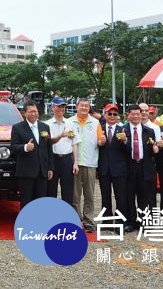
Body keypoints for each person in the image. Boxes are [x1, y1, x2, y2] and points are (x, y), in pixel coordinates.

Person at [10, 101, 54, 209]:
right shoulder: (17, 127)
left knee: (40, 201)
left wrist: (50, 168)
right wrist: (25, 147)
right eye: (31, 112)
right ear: (25, 113)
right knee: (26, 201)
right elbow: (13, 147)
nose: (34, 114)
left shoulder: (45, 127)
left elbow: (49, 148)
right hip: (26, 172)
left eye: (36, 111)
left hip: (42, 171)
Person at [123, 104, 159, 230]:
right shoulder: (122, 130)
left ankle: (144, 221)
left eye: (138, 114)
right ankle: (131, 222)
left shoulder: (149, 131)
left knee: (144, 196)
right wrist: (124, 142)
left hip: (144, 166)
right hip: (129, 166)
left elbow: (153, 149)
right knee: (129, 195)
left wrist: (155, 149)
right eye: (133, 114)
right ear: (128, 115)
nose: (136, 116)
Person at [97, 103, 132, 232]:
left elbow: (130, 150)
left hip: (119, 168)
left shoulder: (124, 129)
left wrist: (125, 141)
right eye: (109, 113)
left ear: (118, 116)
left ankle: (120, 222)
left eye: (115, 114)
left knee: (120, 197)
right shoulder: (99, 128)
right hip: (104, 168)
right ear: (104, 114)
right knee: (105, 196)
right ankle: (106, 221)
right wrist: (99, 143)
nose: (112, 116)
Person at [69, 98, 102, 232]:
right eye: (81, 105)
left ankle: (88, 221)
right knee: (75, 195)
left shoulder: (95, 122)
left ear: (89, 108)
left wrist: (102, 141)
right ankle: (76, 220)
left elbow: (100, 141)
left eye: (86, 106)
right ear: (76, 107)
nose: (84, 108)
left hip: (90, 162)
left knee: (89, 195)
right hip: (74, 163)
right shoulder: (70, 122)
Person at [45, 97, 80, 207]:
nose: (61, 109)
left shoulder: (70, 124)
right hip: (53, 160)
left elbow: (74, 143)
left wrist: (75, 163)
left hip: (67, 160)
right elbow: (47, 143)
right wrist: (60, 136)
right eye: (59, 106)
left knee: (68, 191)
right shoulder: (46, 125)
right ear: (52, 107)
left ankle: (66, 216)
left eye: (63, 106)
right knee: (51, 190)